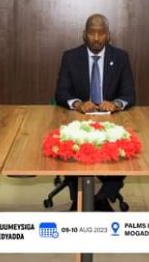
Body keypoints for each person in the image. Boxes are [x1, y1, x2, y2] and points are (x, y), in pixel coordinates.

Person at [55, 14, 136, 211]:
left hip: (112, 124)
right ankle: (78, 199)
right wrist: (77, 104)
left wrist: (116, 104)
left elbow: (129, 95)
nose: (97, 38)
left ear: (108, 35)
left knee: (126, 150)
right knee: (70, 149)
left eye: (101, 33)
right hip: (79, 122)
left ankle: (102, 197)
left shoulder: (121, 57)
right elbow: (61, 93)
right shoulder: (70, 57)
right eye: (92, 33)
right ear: (85, 35)